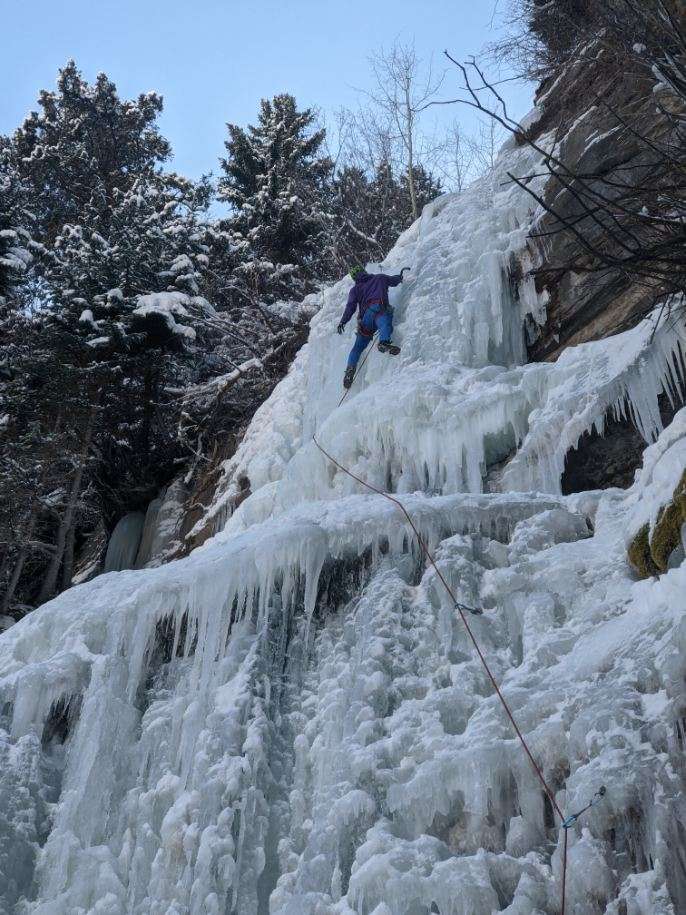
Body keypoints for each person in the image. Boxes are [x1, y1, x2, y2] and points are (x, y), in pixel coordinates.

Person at [337, 264, 410, 389]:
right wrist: (400, 276)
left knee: (357, 347)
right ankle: (384, 342)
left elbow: (350, 307)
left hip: (365, 319)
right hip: (380, 309)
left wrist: (343, 321)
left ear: (355, 278)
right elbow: (394, 280)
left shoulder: (355, 290)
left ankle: (350, 369)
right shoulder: (380, 278)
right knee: (384, 323)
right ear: (364, 271)